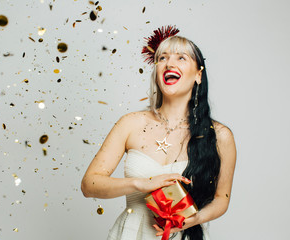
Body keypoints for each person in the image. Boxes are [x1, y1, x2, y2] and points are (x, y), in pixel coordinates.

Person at [81, 26, 236, 240]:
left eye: (181, 58)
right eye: (162, 58)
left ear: (198, 75)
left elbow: (222, 199)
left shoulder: (220, 135)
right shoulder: (130, 123)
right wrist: (140, 183)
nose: (169, 63)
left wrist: (195, 219)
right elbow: (89, 185)